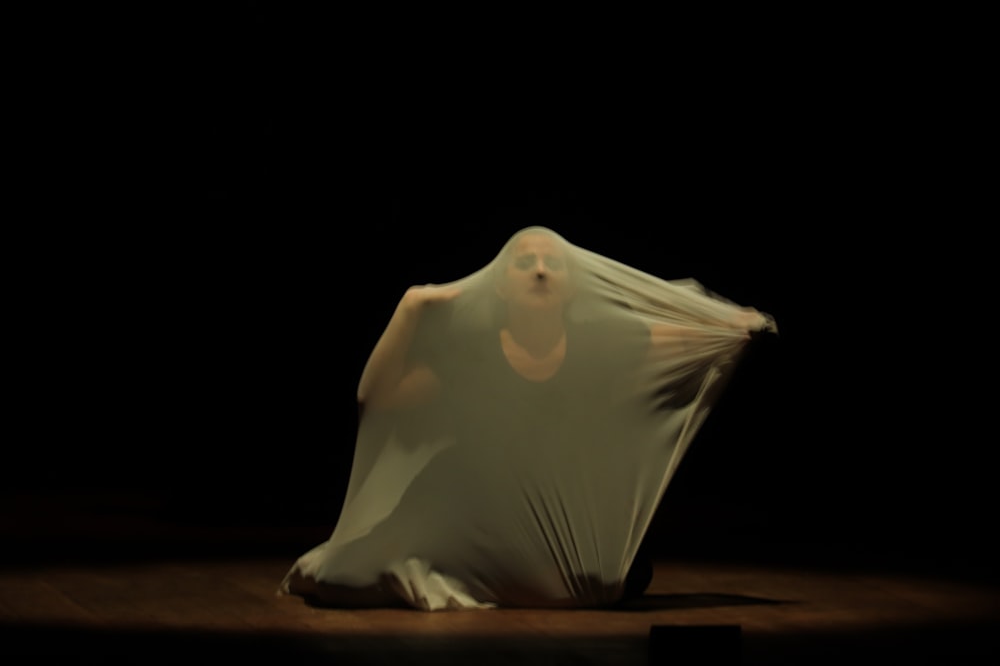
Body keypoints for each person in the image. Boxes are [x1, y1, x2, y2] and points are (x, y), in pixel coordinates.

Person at [280, 226, 775, 610]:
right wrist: (415, 304)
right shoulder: (470, 352)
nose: (540, 271)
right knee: (344, 577)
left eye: (552, 263)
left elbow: (686, 337)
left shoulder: (598, 347)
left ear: (571, 285)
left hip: (554, 506)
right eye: (524, 262)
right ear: (499, 285)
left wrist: (739, 325)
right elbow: (378, 397)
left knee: (614, 579)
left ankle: (518, 573)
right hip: (461, 501)